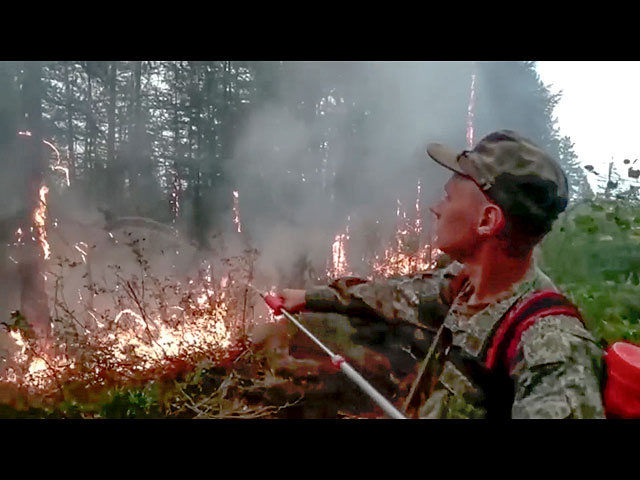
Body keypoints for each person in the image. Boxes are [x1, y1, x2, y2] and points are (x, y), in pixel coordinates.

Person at [276, 130, 605, 419]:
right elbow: (396, 295)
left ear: (488, 221)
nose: (435, 208)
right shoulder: (464, 286)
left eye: (448, 198)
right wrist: (307, 298)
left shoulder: (552, 348)